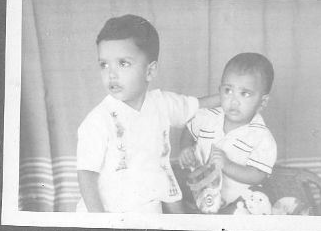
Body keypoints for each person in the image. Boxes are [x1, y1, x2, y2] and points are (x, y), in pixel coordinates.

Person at [77, 14, 211, 214]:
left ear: (150, 71)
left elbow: (195, 105)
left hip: (149, 212)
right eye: (104, 64)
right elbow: (86, 174)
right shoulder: (98, 120)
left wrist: (231, 96)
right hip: (108, 215)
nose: (111, 74)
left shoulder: (161, 103)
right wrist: (100, 223)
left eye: (123, 63)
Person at [178, 52, 279, 211]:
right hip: (201, 190)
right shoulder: (208, 116)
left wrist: (227, 165)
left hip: (238, 199)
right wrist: (185, 148)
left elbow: (257, 175)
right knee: (175, 190)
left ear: (262, 102)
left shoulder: (262, 137)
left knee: (255, 203)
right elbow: (188, 131)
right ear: (220, 90)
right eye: (228, 90)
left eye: (244, 93)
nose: (233, 101)